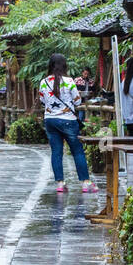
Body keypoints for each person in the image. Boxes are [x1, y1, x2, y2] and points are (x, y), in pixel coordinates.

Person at [38, 52, 93, 194]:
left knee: (56, 152)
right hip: (68, 120)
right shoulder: (69, 81)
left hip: (50, 120)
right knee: (77, 151)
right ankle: (85, 183)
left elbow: (43, 101)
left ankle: (60, 184)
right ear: (64, 65)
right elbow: (78, 100)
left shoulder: (43, 82)